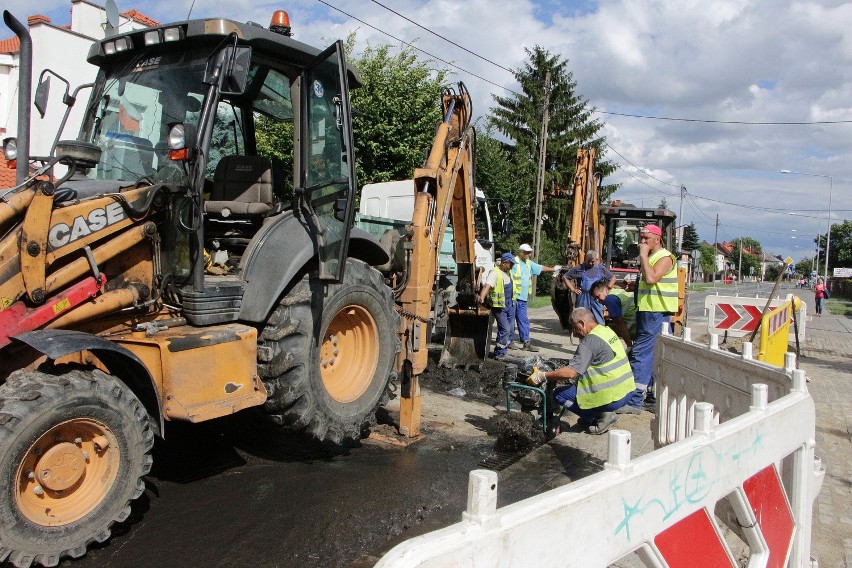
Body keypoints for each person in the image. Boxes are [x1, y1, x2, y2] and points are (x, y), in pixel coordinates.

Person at [525, 307, 635, 435]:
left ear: (582, 323)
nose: (574, 332)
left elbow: (571, 373)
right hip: (626, 390)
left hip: (612, 397)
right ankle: (597, 414)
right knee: (576, 387)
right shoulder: (606, 331)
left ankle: (598, 416)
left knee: (559, 395)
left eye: (574, 327)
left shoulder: (589, 342)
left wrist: (542, 376)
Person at [624, 224, 678, 412]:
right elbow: (651, 283)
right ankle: (653, 396)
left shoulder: (664, 257)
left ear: (658, 239)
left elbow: (652, 279)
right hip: (650, 311)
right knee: (654, 356)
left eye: (646, 238)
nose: (642, 242)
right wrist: (634, 288)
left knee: (640, 354)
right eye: (641, 238)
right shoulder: (654, 257)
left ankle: (634, 400)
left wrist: (643, 256)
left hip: (655, 312)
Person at [508, 243, 560, 352]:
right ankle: (509, 342)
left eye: (530, 252)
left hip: (522, 298)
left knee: (523, 320)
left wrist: (553, 269)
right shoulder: (513, 262)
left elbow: (540, 268)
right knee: (510, 321)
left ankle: (526, 343)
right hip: (512, 298)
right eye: (527, 252)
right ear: (521, 253)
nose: (529, 254)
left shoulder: (528, 263)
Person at [562, 251, 616, 325]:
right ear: (586, 259)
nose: (591, 263)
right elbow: (565, 277)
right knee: (582, 319)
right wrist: (573, 289)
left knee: (599, 320)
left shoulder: (600, 268)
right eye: (589, 261)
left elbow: (613, 278)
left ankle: (599, 335)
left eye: (593, 261)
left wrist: (606, 290)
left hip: (597, 298)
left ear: (597, 260)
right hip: (583, 298)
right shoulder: (579, 268)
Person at [479, 253, 516, 361]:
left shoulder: (507, 273)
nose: (512, 266)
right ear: (504, 263)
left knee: (510, 330)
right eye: (511, 264)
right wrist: (481, 299)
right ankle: (499, 353)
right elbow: (487, 286)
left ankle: (504, 350)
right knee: (505, 329)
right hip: (499, 307)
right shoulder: (495, 273)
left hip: (509, 305)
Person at [590, 279, 634, 349]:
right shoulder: (616, 291)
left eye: (598, 296)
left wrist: (629, 346)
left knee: (603, 331)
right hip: (640, 321)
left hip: (637, 325)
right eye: (595, 298)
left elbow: (620, 325)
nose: (597, 300)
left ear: (605, 290)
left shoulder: (610, 299)